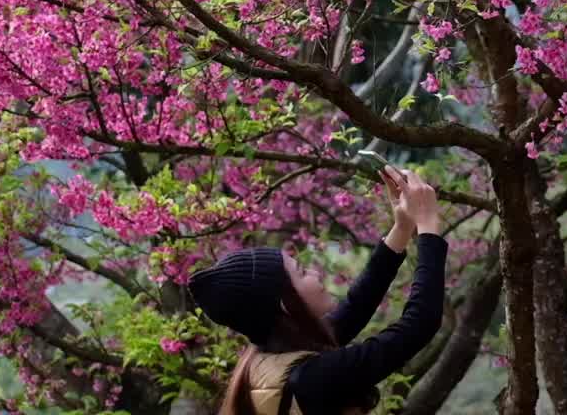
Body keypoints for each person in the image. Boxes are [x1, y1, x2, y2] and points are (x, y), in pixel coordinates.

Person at [187, 165, 447, 415]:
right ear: (284, 303)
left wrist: (402, 228)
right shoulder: (313, 378)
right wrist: (428, 228)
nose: (314, 273)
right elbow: (419, 324)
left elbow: (356, 306)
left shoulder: (267, 359)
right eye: (301, 271)